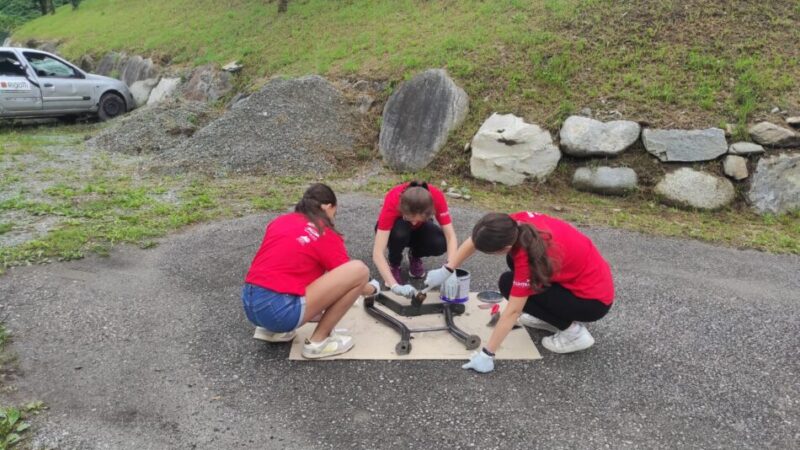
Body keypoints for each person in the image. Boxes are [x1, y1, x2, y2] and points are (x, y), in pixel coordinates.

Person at [424, 211, 614, 373]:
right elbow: (475, 240)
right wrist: (447, 269)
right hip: (582, 281)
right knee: (512, 268)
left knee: (508, 284)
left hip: (592, 302)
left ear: (505, 247)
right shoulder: (510, 224)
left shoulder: (528, 258)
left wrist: (487, 354)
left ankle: (574, 333)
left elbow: (513, 311)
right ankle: (549, 316)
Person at [242, 183, 379, 359]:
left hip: (251, 306)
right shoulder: (324, 231)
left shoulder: (280, 221)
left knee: (289, 272)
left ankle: (272, 332)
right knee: (359, 270)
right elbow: (348, 276)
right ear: (329, 207)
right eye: (334, 212)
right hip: (279, 312)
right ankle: (319, 342)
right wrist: (372, 289)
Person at [372, 181, 458, 299]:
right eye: (410, 218)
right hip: (397, 230)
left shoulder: (437, 197)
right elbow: (377, 253)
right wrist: (394, 286)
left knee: (440, 242)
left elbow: (450, 236)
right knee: (400, 232)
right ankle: (394, 263)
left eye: (419, 219)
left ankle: (415, 254)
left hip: (419, 230)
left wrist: (450, 269)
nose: (414, 222)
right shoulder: (393, 199)